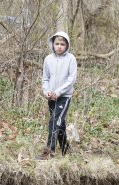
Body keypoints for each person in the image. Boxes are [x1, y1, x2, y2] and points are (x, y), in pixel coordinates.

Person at [38, 31, 77, 160]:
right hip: (51, 97)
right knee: (60, 122)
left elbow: (71, 79)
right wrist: (46, 91)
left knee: (54, 121)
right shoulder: (48, 59)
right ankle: (65, 149)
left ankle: (49, 151)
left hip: (64, 96)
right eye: (57, 44)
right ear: (53, 44)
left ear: (67, 45)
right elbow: (45, 78)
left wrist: (58, 92)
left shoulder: (71, 58)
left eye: (62, 44)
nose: (59, 46)